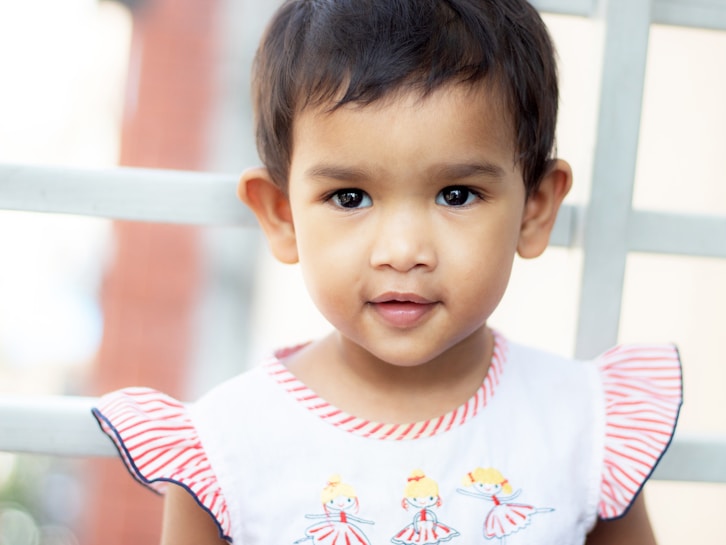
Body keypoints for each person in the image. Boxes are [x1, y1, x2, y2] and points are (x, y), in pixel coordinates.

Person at [92, 0, 682, 544]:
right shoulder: (227, 449)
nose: (403, 252)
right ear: (282, 217)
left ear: (535, 208)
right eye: (350, 197)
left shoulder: (582, 426)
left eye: (456, 194)